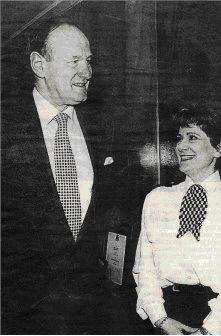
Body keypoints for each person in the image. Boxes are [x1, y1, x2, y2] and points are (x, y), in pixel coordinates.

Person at [1, 20, 132, 334]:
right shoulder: (6, 128)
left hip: (95, 314)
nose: (87, 72)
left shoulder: (106, 126)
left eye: (88, 61)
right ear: (39, 65)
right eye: (74, 61)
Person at [133, 104, 221, 335]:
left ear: (218, 148)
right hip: (166, 315)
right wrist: (160, 319)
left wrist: (209, 330)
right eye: (180, 138)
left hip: (217, 320)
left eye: (192, 137)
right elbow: (145, 268)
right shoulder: (157, 199)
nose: (181, 146)